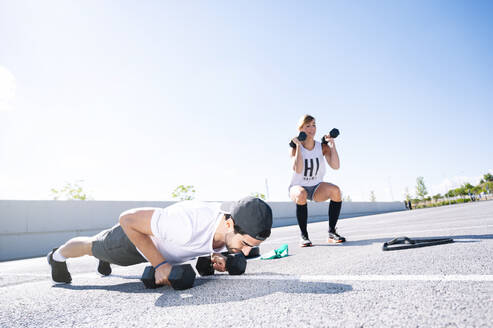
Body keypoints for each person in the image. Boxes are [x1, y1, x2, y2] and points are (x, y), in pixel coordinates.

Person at [47, 196, 273, 285]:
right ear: (230, 224)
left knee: (102, 253)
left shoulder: (225, 231)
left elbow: (197, 243)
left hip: (158, 243)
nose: (244, 253)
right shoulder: (185, 224)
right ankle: (56, 257)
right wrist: (161, 265)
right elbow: (128, 219)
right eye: (245, 245)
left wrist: (213, 256)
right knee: (91, 247)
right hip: (130, 240)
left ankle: (104, 260)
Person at [289, 114, 344, 247]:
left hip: (316, 187)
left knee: (336, 191)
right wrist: (298, 147)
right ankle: (304, 236)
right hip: (298, 187)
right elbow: (298, 169)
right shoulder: (295, 148)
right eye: (307, 126)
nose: (311, 128)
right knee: (301, 194)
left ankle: (332, 233)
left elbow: (336, 166)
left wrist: (332, 145)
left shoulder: (321, 147)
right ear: (301, 129)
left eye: (313, 125)